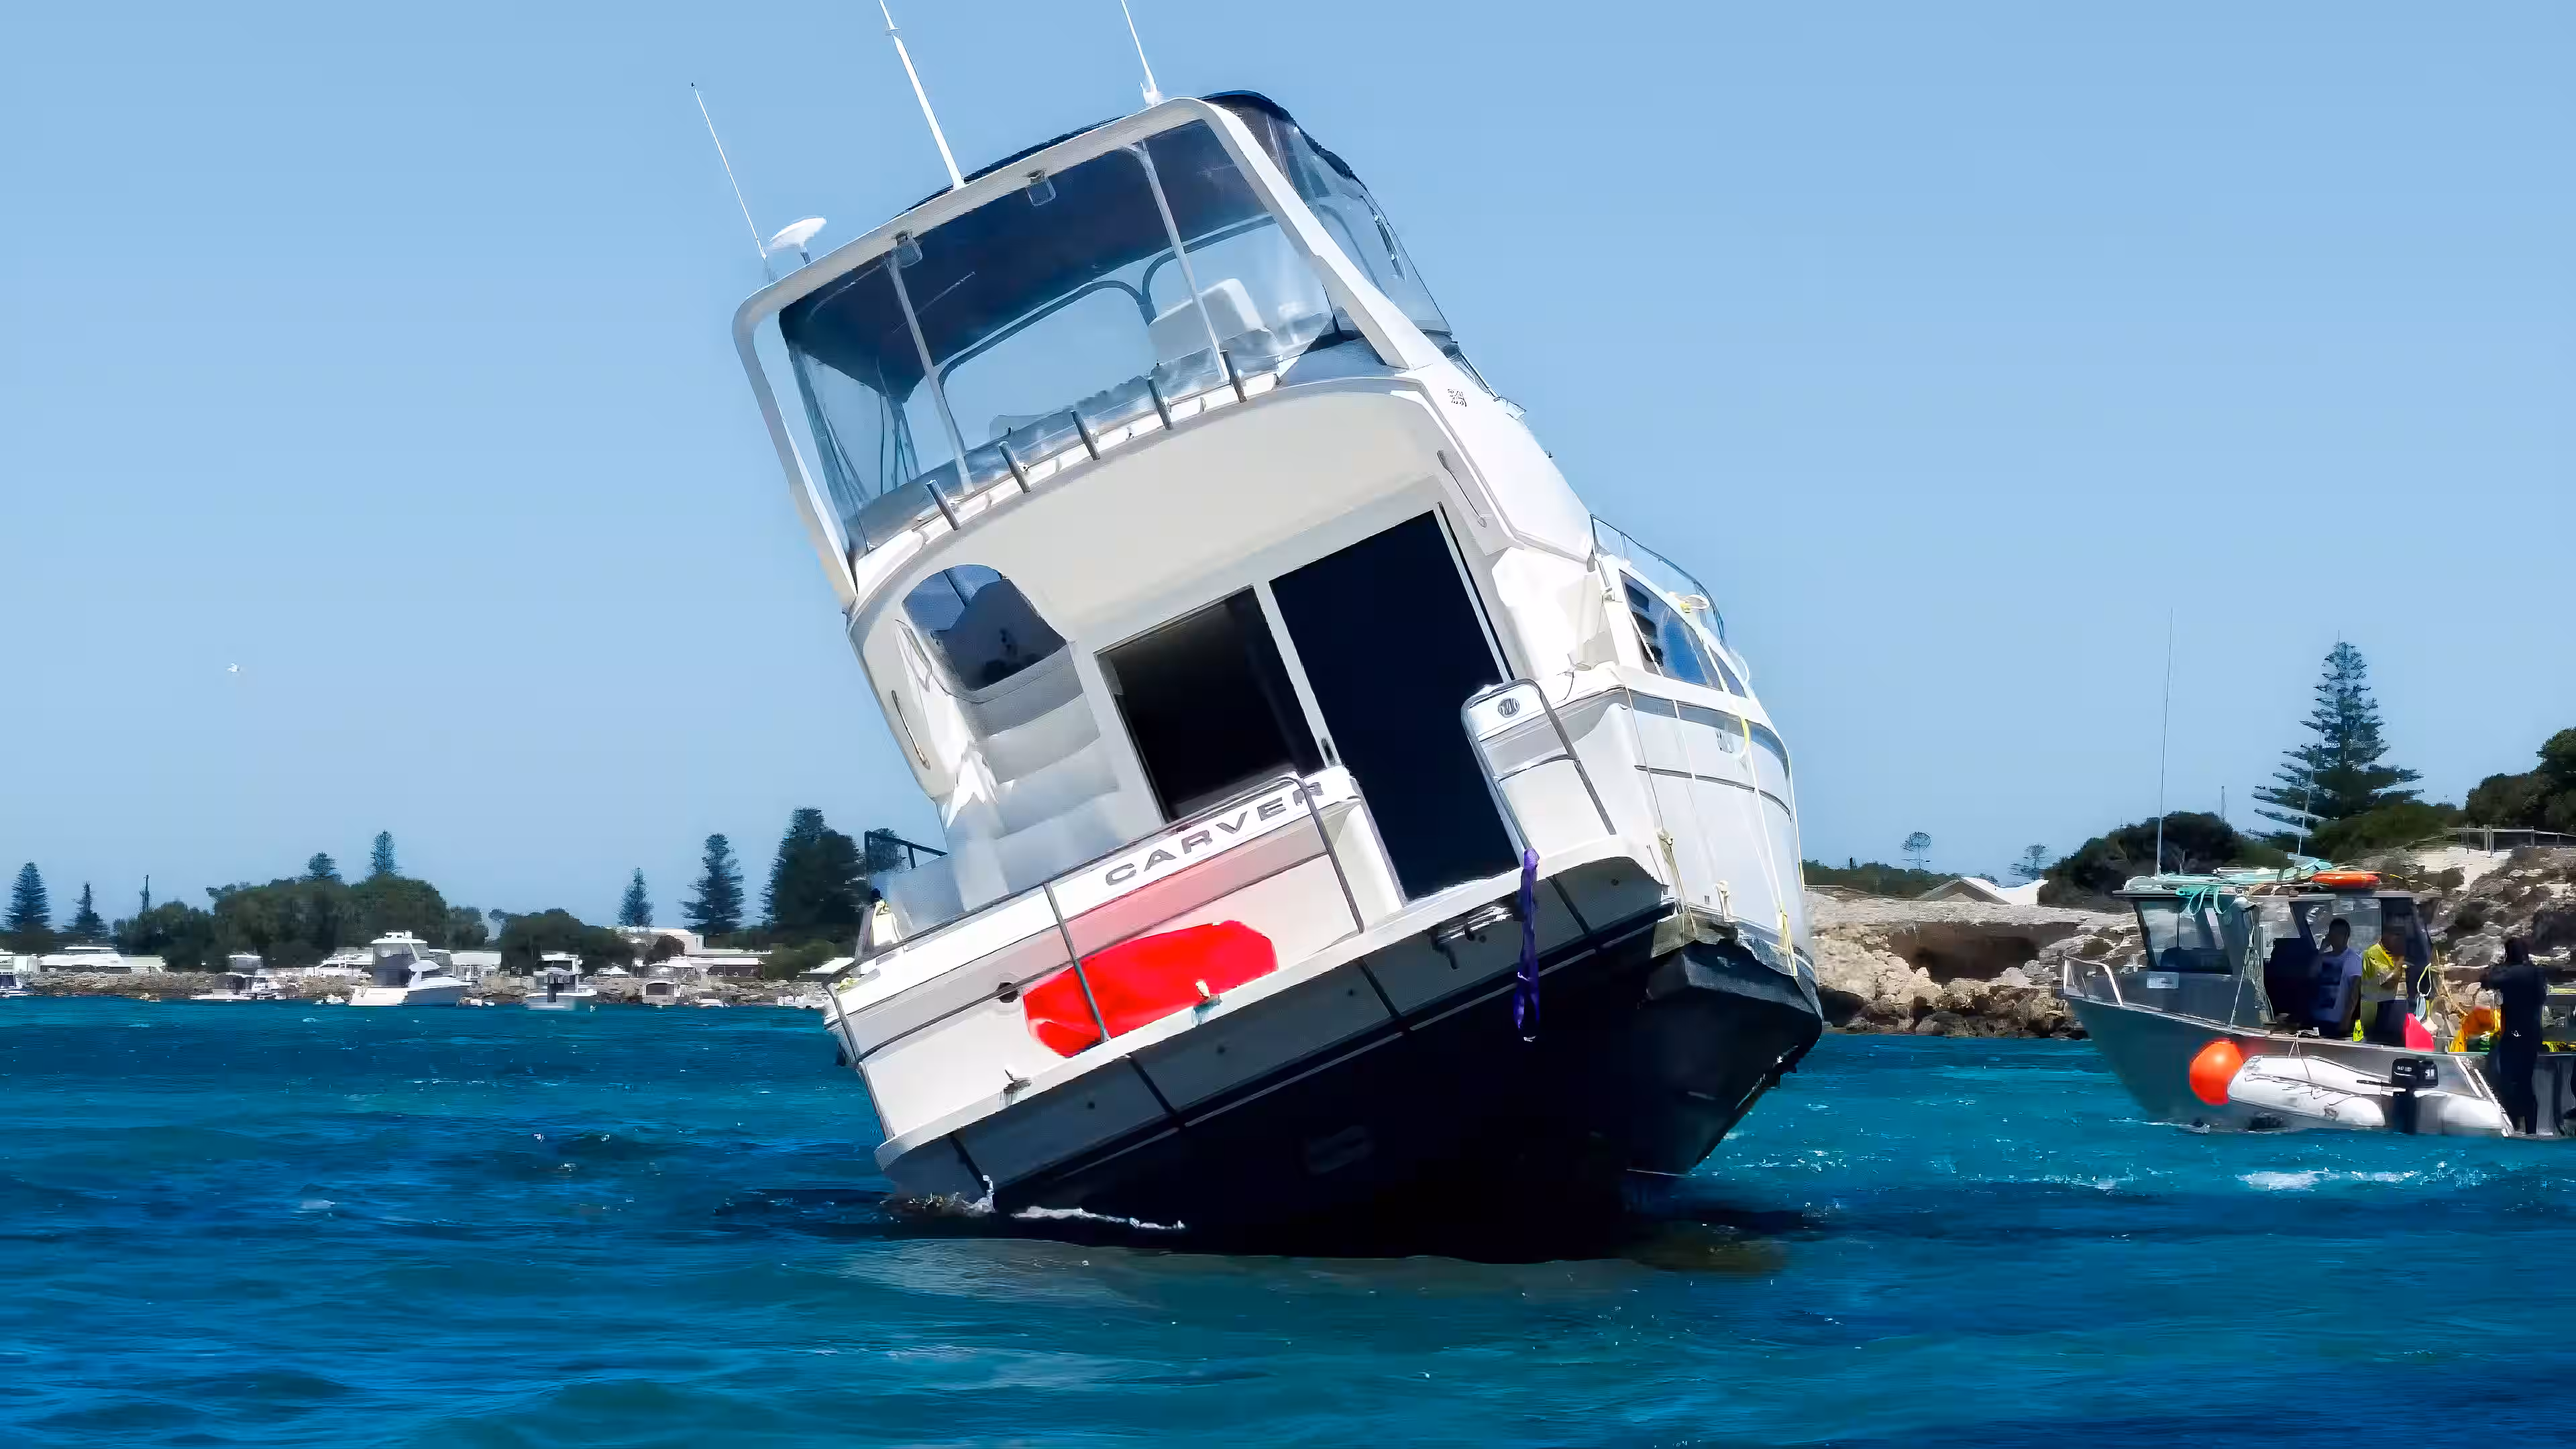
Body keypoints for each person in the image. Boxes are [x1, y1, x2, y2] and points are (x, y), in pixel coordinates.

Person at [2483, 937, 2546, 1135]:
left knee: (2509, 1080)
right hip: (2533, 1032)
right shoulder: (2535, 972)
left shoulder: (2512, 973)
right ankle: (2531, 1129)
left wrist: (2498, 968)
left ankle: (2514, 1124)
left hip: (2515, 1032)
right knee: (2526, 1081)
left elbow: (2487, 981)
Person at [2355, 923, 2411, 1045]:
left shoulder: (2393, 953)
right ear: (2385, 935)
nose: (2400, 939)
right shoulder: (2374, 953)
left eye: (2401, 936)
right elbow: (2388, 983)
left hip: (2396, 1014)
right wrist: (2400, 960)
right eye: (2396, 935)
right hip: (2380, 1012)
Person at [2310, 918, 2366, 1036]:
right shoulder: (2323, 958)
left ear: (2346, 937)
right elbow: (2311, 975)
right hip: (2317, 1019)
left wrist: (2346, 1020)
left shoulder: (2352, 959)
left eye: (2338, 934)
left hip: (2336, 1021)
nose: (2334, 937)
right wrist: (2321, 950)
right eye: (2332, 933)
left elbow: (2354, 993)